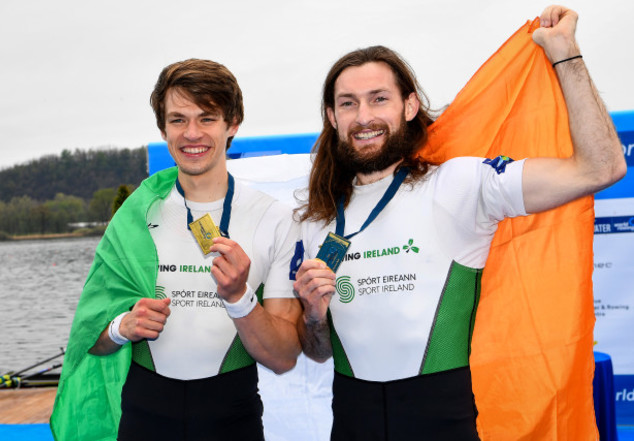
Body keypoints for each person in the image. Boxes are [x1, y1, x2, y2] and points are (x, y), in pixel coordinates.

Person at [293, 5, 626, 441]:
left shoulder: (458, 184)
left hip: (446, 417)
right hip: (353, 420)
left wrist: (566, 55)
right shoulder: (318, 215)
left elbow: (600, 168)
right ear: (333, 118)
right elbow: (317, 352)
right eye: (348, 104)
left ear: (409, 105)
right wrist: (314, 317)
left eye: (379, 98)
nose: (364, 117)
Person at [51, 59, 302, 441]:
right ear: (163, 128)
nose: (192, 134)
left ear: (232, 124)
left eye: (207, 118)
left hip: (232, 417)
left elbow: (283, 358)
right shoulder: (135, 215)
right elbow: (91, 340)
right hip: (144, 414)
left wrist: (240, 298)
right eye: (178, 120)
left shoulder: (275, 219)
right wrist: (122, 328)